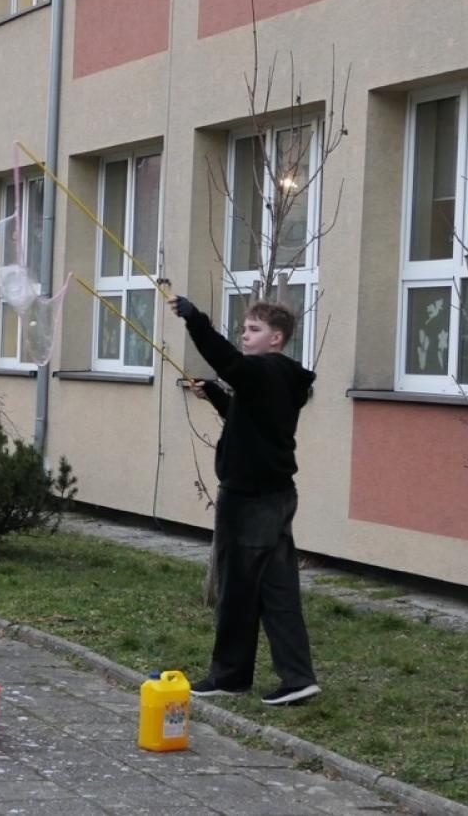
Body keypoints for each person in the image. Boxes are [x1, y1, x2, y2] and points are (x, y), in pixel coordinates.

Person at [170, 294, 321, 707]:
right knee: (278, 590)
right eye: (244, 328)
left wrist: (196, 319)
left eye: (253, 330)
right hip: (276, 496)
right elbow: (254, 421)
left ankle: (230, 676)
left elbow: (228, 363)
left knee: (236, 588)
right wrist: (218, 398)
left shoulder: (264, 369)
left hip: (249, 499)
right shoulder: (280, 377)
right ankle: (298, 678)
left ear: (276, 339)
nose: (244, 335)